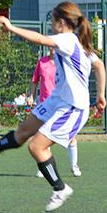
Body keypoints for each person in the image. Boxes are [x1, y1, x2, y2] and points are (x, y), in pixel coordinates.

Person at [0, 1, 106, 212]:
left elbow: (40, 39)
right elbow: (100, 65)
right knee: (23, 132)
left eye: (52, 21)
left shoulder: (67, 39)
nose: (50, 25)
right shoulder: (76, 42)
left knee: (36, 146)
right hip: (57, 100)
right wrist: (101, 94)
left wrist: (11, 28)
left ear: (60, 22)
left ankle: (60, 188)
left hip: (72, 107)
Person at [29, 48, 82, 177]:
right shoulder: (42, 62)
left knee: (71, 137)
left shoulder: (65, 63)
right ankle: (44, 169)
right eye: (51, 47)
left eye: (55, 47)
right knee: (43, 137)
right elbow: (35, 81)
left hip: (63, 104)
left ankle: (74, 166)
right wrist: (31, 96)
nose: (53, 49)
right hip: (46, 105)